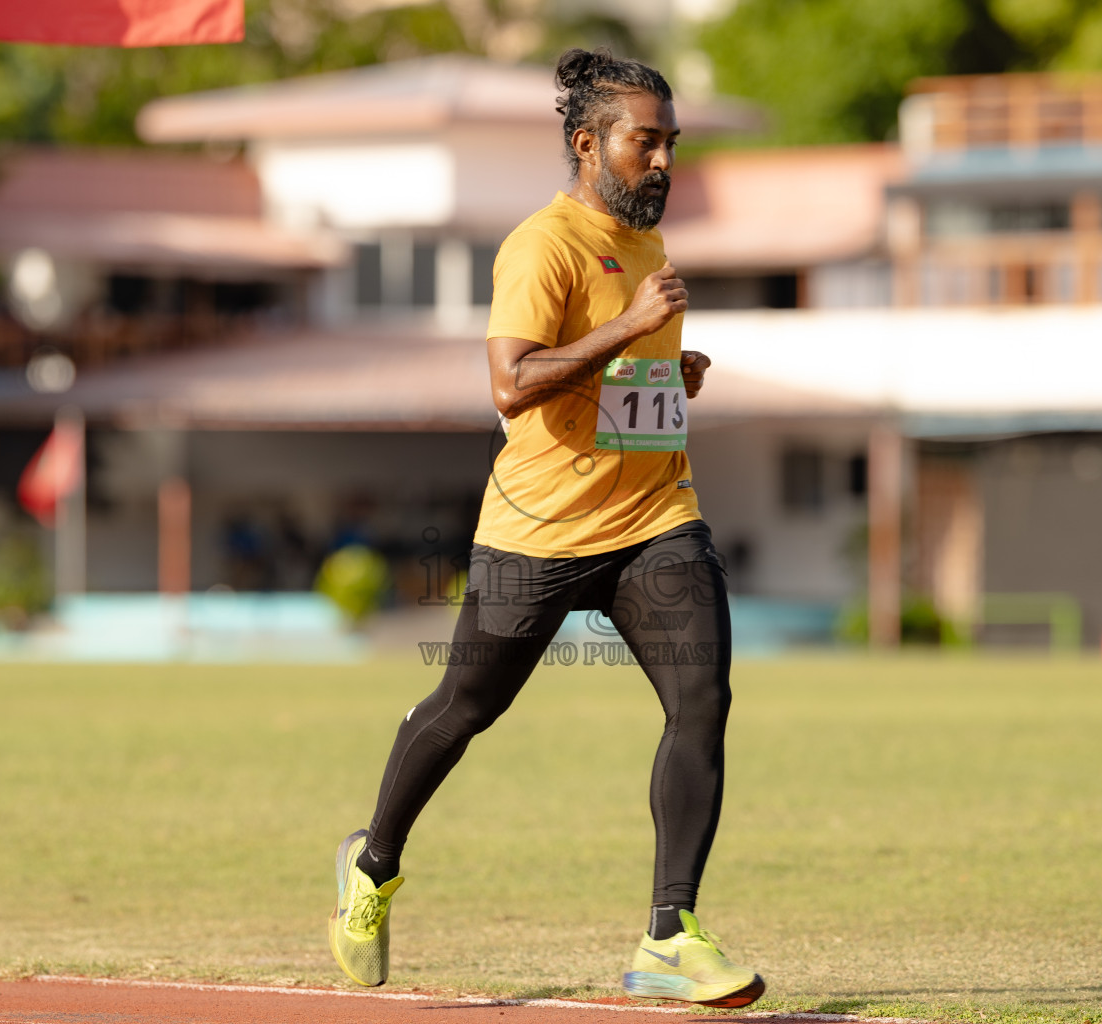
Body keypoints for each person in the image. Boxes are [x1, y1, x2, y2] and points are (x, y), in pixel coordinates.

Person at [327, 47, 764, 1010]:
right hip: (539, 531)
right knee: (466, 709)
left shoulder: (648, 245)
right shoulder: (542, 244)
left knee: (704, 702)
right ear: (587, 143)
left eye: (670, 144)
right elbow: (512, 382)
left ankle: (670, 934)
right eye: (645, 142)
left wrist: (667, 370)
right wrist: (629, 330)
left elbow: (610, 376)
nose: (662, 161)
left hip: (657, 517)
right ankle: (373, 866)